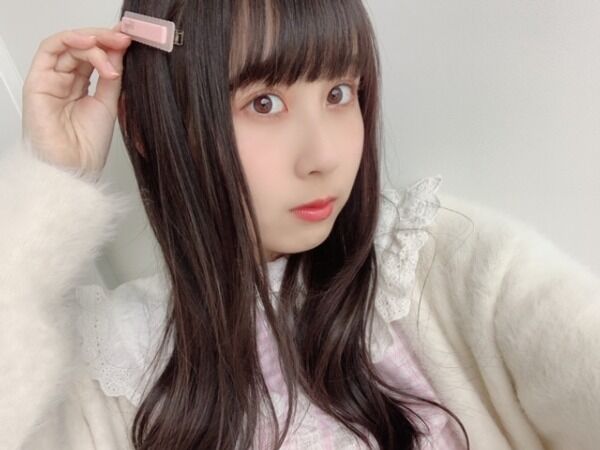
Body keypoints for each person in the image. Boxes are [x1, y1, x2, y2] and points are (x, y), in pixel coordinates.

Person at [2, 1, 599, 449]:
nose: (324, 157)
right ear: (145, 126)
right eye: (264, 102)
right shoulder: (109, 364)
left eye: (340, 92)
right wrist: (56, 180)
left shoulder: (433, 263)